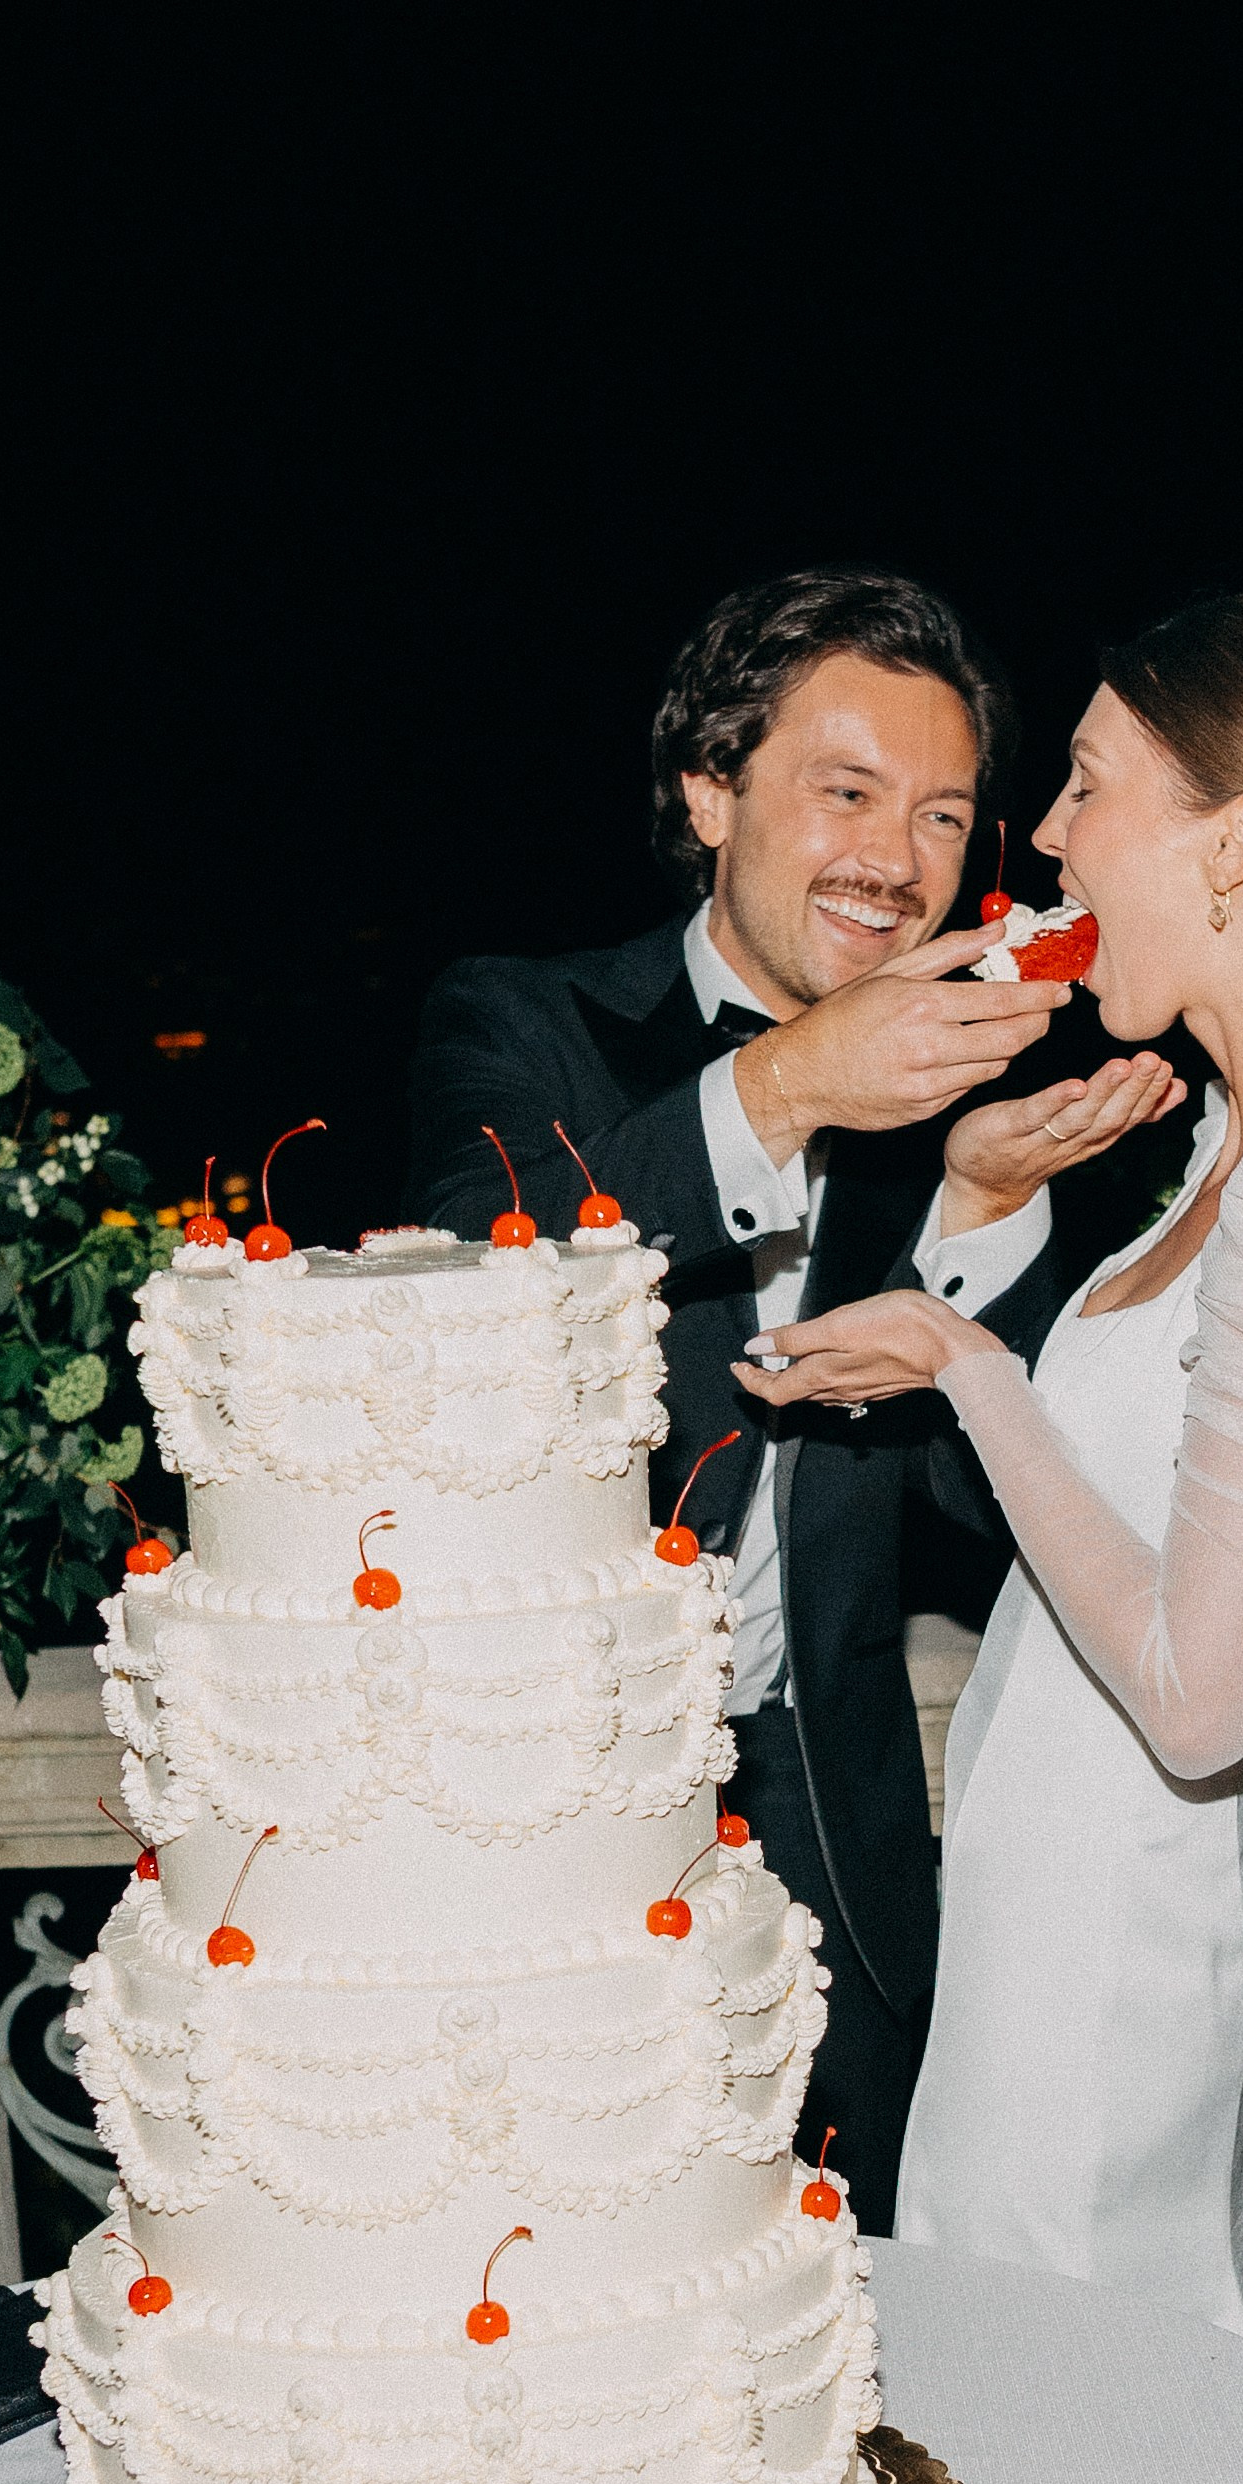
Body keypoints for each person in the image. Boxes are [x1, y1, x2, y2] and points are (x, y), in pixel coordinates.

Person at [735, 592, 1243, 2361]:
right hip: (1087, 1897)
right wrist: (974, 1230)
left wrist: (963, 1363)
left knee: (1079, 2439)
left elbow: (1207, 1699)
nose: (1043, 839)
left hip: (1096, 1949)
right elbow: (1157, 1505)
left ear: (1230, 840)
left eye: (1083, 786)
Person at [407, 570, 1173, 2232]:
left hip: (836, 1866)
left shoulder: (954, 1094)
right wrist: (777, 1090)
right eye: (843, 791)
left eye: (943, 815)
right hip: (526, 1852)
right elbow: (462, 1296)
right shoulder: (521, 1020)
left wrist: (980, 1224)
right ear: (707, 789)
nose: (895, 862)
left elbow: (998, 1520)